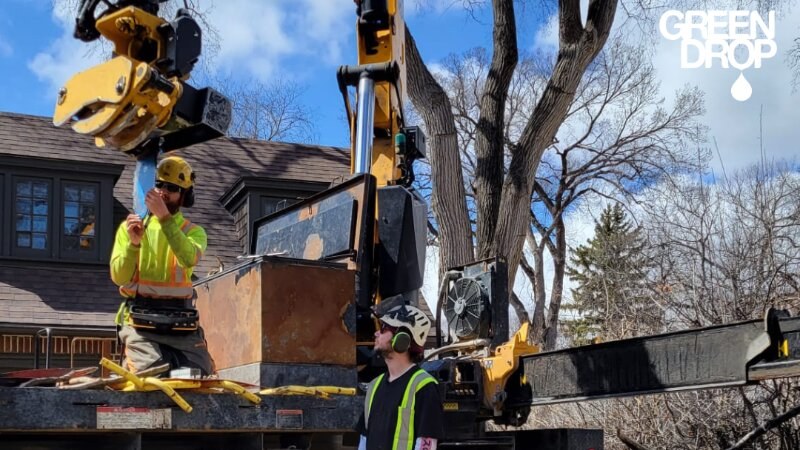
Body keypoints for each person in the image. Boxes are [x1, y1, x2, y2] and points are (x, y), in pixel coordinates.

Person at [110, 155, 214, 376]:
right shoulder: (130, 228)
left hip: (180, 320)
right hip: (139, 321)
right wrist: (133, 244)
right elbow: (119, 277)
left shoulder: (194, 232)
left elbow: (188, 258)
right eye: (159, 184)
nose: (163, 191)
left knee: (200, 377)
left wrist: (165, 218)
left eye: (172, 187)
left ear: (183, 195)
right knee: (152, 376)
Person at [357, 304, 445, 450]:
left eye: (384, 329)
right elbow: (364, 440)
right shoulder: (374, 386)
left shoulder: (424, 387)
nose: (376, 334)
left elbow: (426, 444)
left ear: (402, 339)